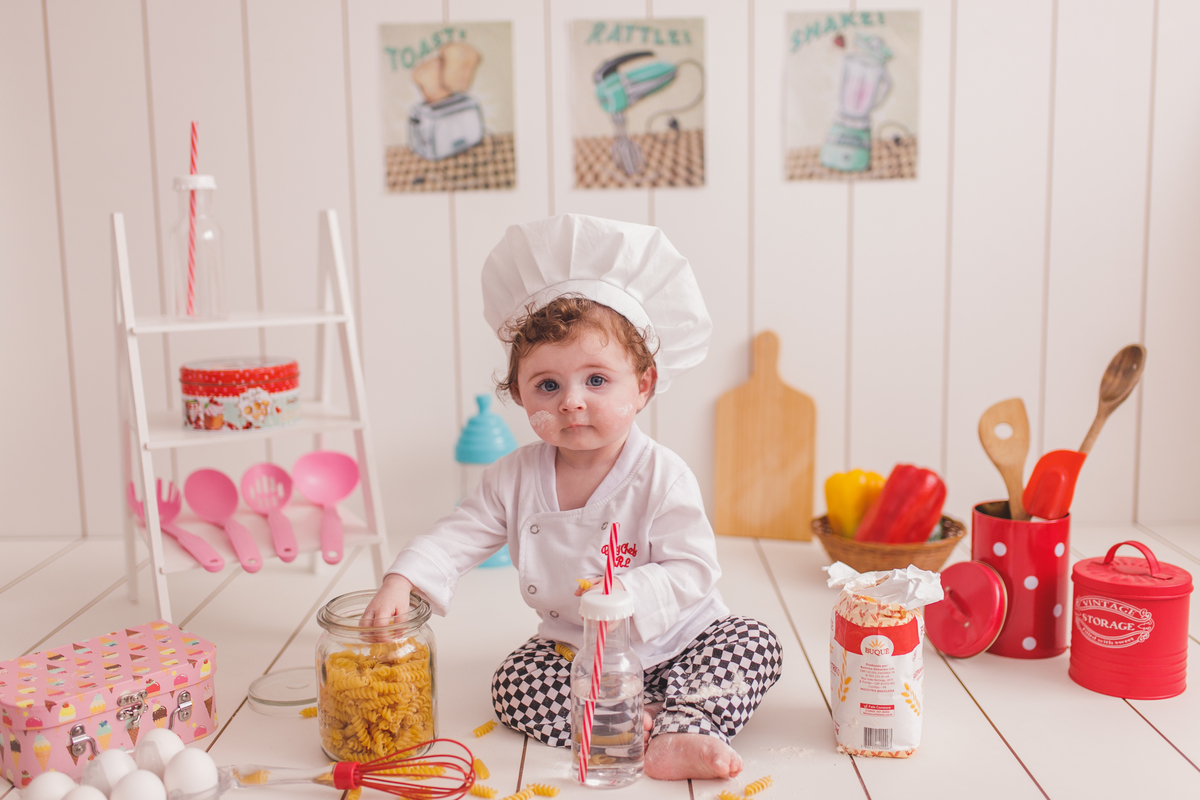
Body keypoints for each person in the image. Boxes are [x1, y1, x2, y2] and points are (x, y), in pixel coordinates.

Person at [362, 214, 782, 781]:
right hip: (577, 654)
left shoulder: (662, 474)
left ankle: (688, 723)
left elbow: (694, 567)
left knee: (755, 642)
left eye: (597, 380)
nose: (572, 402)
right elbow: (460, 531)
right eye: (548, 385)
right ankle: (641, 721)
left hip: (683, 640)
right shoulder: (515, 476)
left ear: (644, 385)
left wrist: (630, 591)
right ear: (519, 392)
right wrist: (404, 578)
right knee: (514, 686)